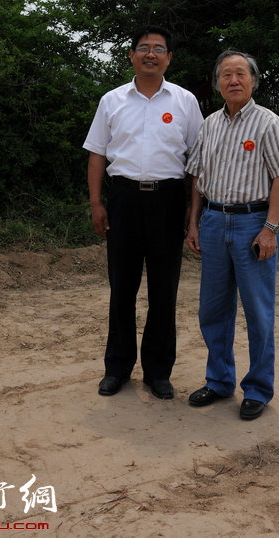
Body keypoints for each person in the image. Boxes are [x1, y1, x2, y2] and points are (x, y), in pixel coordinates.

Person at [83, 25, 203, 400]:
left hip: (168, 200)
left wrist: (193, 212)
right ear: (131, 55)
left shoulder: (185, 101)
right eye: (143, 48)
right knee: (122, 287)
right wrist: (97, 202)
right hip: (122, 199)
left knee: (164, 289)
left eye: (159, 48)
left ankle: (158, 371)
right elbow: (97, 154)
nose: (150, 54)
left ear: (169, 57)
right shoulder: (112, 101)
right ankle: (117, 368)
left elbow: (198, 163)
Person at [185, 49, 279, 420]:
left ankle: (259, 388)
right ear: (217, 83)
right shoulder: (210, 124)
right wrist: (194, 222)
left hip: (252, 224)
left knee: (258, 312)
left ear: (253, 81)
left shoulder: (269, 124)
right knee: (212, 309)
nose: (233, 80)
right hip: (214, 220)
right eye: (226, 75)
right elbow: (198, 177)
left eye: (240, 74)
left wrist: (270, 229)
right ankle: (218, 381)